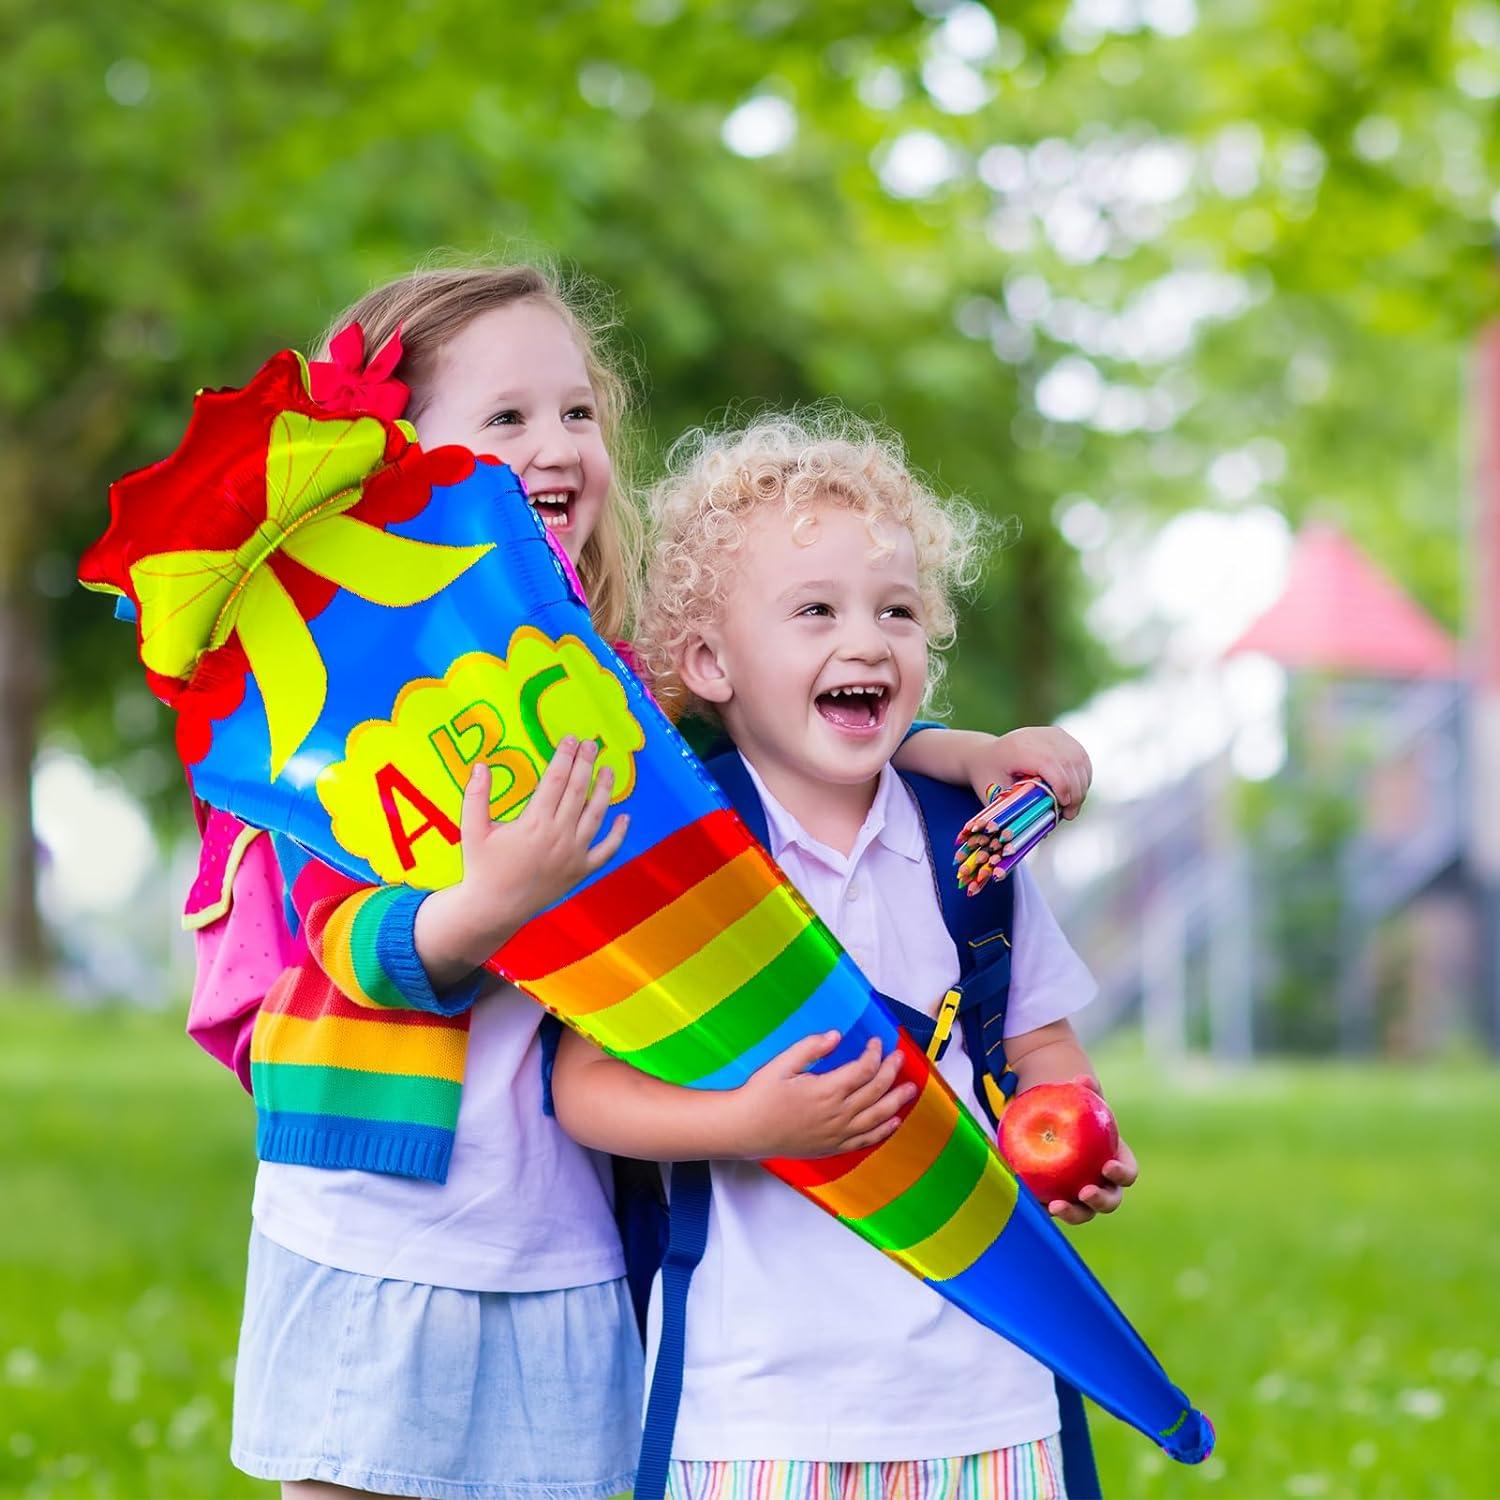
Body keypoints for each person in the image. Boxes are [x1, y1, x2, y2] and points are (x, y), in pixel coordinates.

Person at [202, 262, 1090, 1499]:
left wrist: (959, 753)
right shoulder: (327, 687)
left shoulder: (599, 664)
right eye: (505, 418)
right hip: (383, 1213)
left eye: (577, 413)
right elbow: (341, 938)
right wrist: (480, 908)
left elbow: (778, 718)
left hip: (563, 1223)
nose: (557, 444)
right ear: (391, 455)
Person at [551, 413, 1137, 1500]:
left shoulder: (972, 850)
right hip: (759, 1413)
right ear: (710, 663)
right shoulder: (685, 864)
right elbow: (581, 1086)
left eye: (898, 612)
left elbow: (1043, 1045)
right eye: (815, 611)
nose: (866, 642)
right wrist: (747, 1126)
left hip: (990, 1392)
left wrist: (1075, 1135)